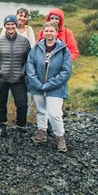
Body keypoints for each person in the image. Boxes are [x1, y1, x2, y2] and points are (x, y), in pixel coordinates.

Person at [26, 21, 73, 152]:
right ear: (43, 32)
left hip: (56, 88)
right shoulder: (36, 48)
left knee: (54, 113)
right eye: (46, 31)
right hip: (37, 87)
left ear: (56, 32)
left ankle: (60, 137)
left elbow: (66, 72)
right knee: (40, 110)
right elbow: (29, 65)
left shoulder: (64, 50)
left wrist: (48, 85)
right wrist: (36, 83)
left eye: (51, 31)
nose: (48, 33)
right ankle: (42, 132)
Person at [0, 14, 32, 136]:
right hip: (2, 78)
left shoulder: (24, 41)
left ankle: (20, 127)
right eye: (8, 24)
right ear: (5, 26)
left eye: (12, 24)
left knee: (22, 104)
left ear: (16, 25)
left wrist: (24, 71)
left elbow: (29, 59)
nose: (10, 26)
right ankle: (2, 125)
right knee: (0, 102)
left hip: (19, 79)